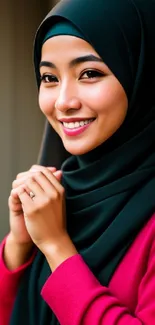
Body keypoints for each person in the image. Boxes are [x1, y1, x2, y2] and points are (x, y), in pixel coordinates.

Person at [1, 0, 155, 324]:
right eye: (49, 78)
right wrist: (19, 245)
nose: (63, 102)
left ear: (140, 74)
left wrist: (56, 247)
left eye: (89, 73)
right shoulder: (59, 195)